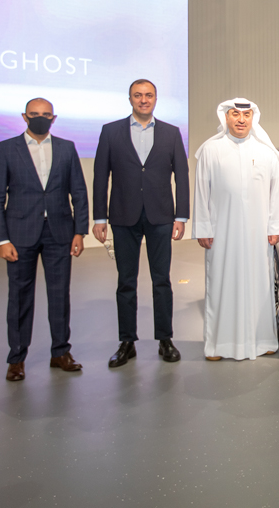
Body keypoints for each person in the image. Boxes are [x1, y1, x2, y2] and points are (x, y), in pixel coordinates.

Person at [0, 98, 89, 381]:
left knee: (60, 295)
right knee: (19, 297)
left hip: (60, 232)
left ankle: (60, 352)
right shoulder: (6, 149)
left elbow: (78, 192)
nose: (40, 119)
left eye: (46, 115)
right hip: (19, 234)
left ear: (53, 118)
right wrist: (1, 239)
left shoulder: (67, 148)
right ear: (24, 117)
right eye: (35, 114)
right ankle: (16, 358)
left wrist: (79, 232)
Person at [93, 79, 190, 368]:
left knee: (162, 280)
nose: (143, 100)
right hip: (124, 216)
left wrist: (181, 216)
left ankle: (165, 339)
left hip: (161, 216)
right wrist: (100, 217)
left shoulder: (171, 133)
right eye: (138, 95)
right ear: (130, 99)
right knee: (126, 282)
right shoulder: (110, 132)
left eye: (148, 95)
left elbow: (182, 176)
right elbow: (101, 176)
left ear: (156, 99)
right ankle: (127, 342)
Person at [193, 98, 279, 361]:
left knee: (261, 284)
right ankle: (218, 346)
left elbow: (275, 195)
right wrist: (203, 227)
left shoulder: (267, 153)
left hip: (259, 235)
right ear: (226, 117)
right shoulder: (210, 150)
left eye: (246, 114)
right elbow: (201, 192)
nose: (241, 119)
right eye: (235, 114)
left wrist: (275, 226)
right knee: (222, 283)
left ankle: (263, 340)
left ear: (253, 118)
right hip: (221, 233)